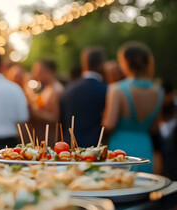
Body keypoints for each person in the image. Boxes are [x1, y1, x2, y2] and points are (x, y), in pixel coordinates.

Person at [103, 42, 163, 173]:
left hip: (120, 152)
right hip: (145, 149)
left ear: (125, 62)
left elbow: (110, 124)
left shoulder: (117, 89)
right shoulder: (158, 91)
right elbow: (155, 127)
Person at [60, 47, 107, 147]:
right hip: (94, 147)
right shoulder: (105, 89)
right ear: (100, 64)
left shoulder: (69, 88)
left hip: (69, 145)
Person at [27, 60, 64, 145]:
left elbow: (55, 118)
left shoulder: (56, 90)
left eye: (38, 71)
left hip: (51, 139)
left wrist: (35, 113)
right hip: (43, 136)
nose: (35, 74)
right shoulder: (48, 88)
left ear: (48, 71)